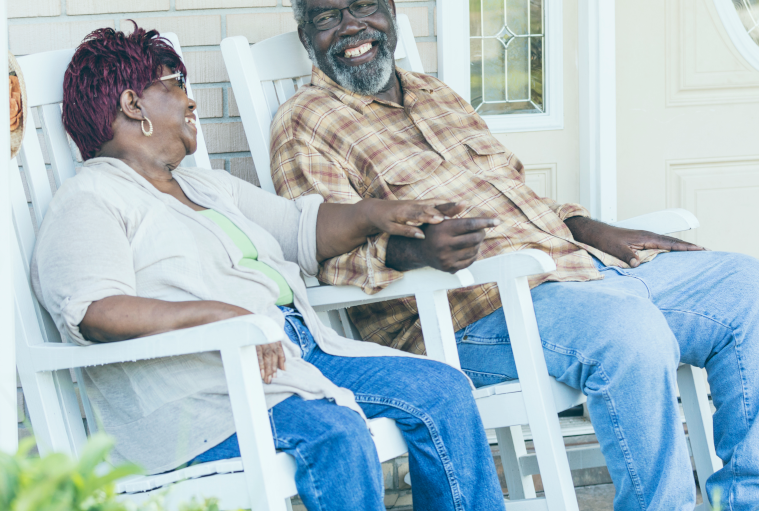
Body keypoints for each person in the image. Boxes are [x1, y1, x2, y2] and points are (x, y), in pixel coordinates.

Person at [271, 0, 759, 511]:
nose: (353, 27)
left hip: (578, 270)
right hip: (471, 313)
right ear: (308, 38)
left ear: (391, 12)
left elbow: (516, 192)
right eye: (329, 19)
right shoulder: (307, 122)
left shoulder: (436, 94)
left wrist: (594, 228)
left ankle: (756, 503)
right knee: (629, 331)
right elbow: (320, 252)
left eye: (364, 6)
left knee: (747, 287)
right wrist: (415, 252)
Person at [31, 25, 506, 511]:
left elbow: (304, 230)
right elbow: (94, 311)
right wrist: (223, 316)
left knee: (444, 391)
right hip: (205, 399)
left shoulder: (210, 188)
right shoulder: (91, 198)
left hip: (300, 355)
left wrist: (376, 213)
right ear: (133, 105)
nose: (191, 102)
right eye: (175, 84)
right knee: (335, 434)